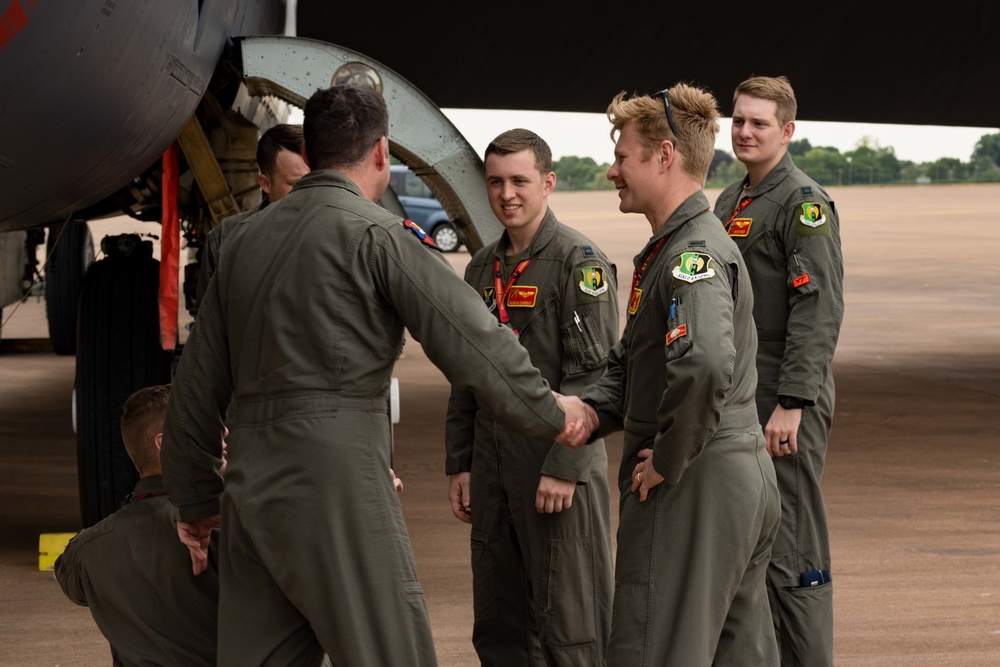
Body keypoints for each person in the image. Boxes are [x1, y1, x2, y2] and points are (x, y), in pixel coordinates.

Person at [160, 84, 593, 667]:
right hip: (338, 481)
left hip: (250, 491)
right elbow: (469, 339)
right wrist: (550, 412)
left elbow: (196, 380)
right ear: (382, 152)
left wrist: (194, 497)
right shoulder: (377, 234)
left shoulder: (241, 243)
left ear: (310, 154)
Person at [570, 83, 781, 665]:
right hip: (734, 476)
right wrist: (586, 411)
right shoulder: (676, 248)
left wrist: (666, 459)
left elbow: (707, 363)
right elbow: (639, 361)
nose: (612, 171)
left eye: (622, 157)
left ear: (664, 156)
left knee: (650, 647)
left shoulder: (692, 254)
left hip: (697, 484)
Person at [445, 128, 617, 666]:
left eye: (519, 180)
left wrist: (565, 465)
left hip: (552, 469)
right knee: (500, 625)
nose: (506, 194)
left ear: (547, 182)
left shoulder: (579, 265)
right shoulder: (480, 268)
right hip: (492, 470)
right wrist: (461, 464)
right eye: (495, 182)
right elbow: (466, 375)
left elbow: (595, 379)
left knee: (570, 626)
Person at [713, 75, 844, 666]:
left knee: (790, 545)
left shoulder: (804, 203)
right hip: (742, 389)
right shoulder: (730, 200)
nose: (744, 131)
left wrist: (793, 401)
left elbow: (818, 307)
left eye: (758, 123)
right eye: (738, 120)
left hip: (783, 391)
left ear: (787, 131)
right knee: (749, 542)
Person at [54, 384, 221, 667]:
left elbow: (72, 581)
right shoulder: (225, 530)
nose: (225, 434)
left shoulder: (86, 551)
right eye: (208, 426)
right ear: (165, 443)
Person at [193, 122, 310, 312]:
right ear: (265, 183)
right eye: (296, 184)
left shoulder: (343, 233)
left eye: (316, 179)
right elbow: (207, 325)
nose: (311, 191)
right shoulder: (225, 238)